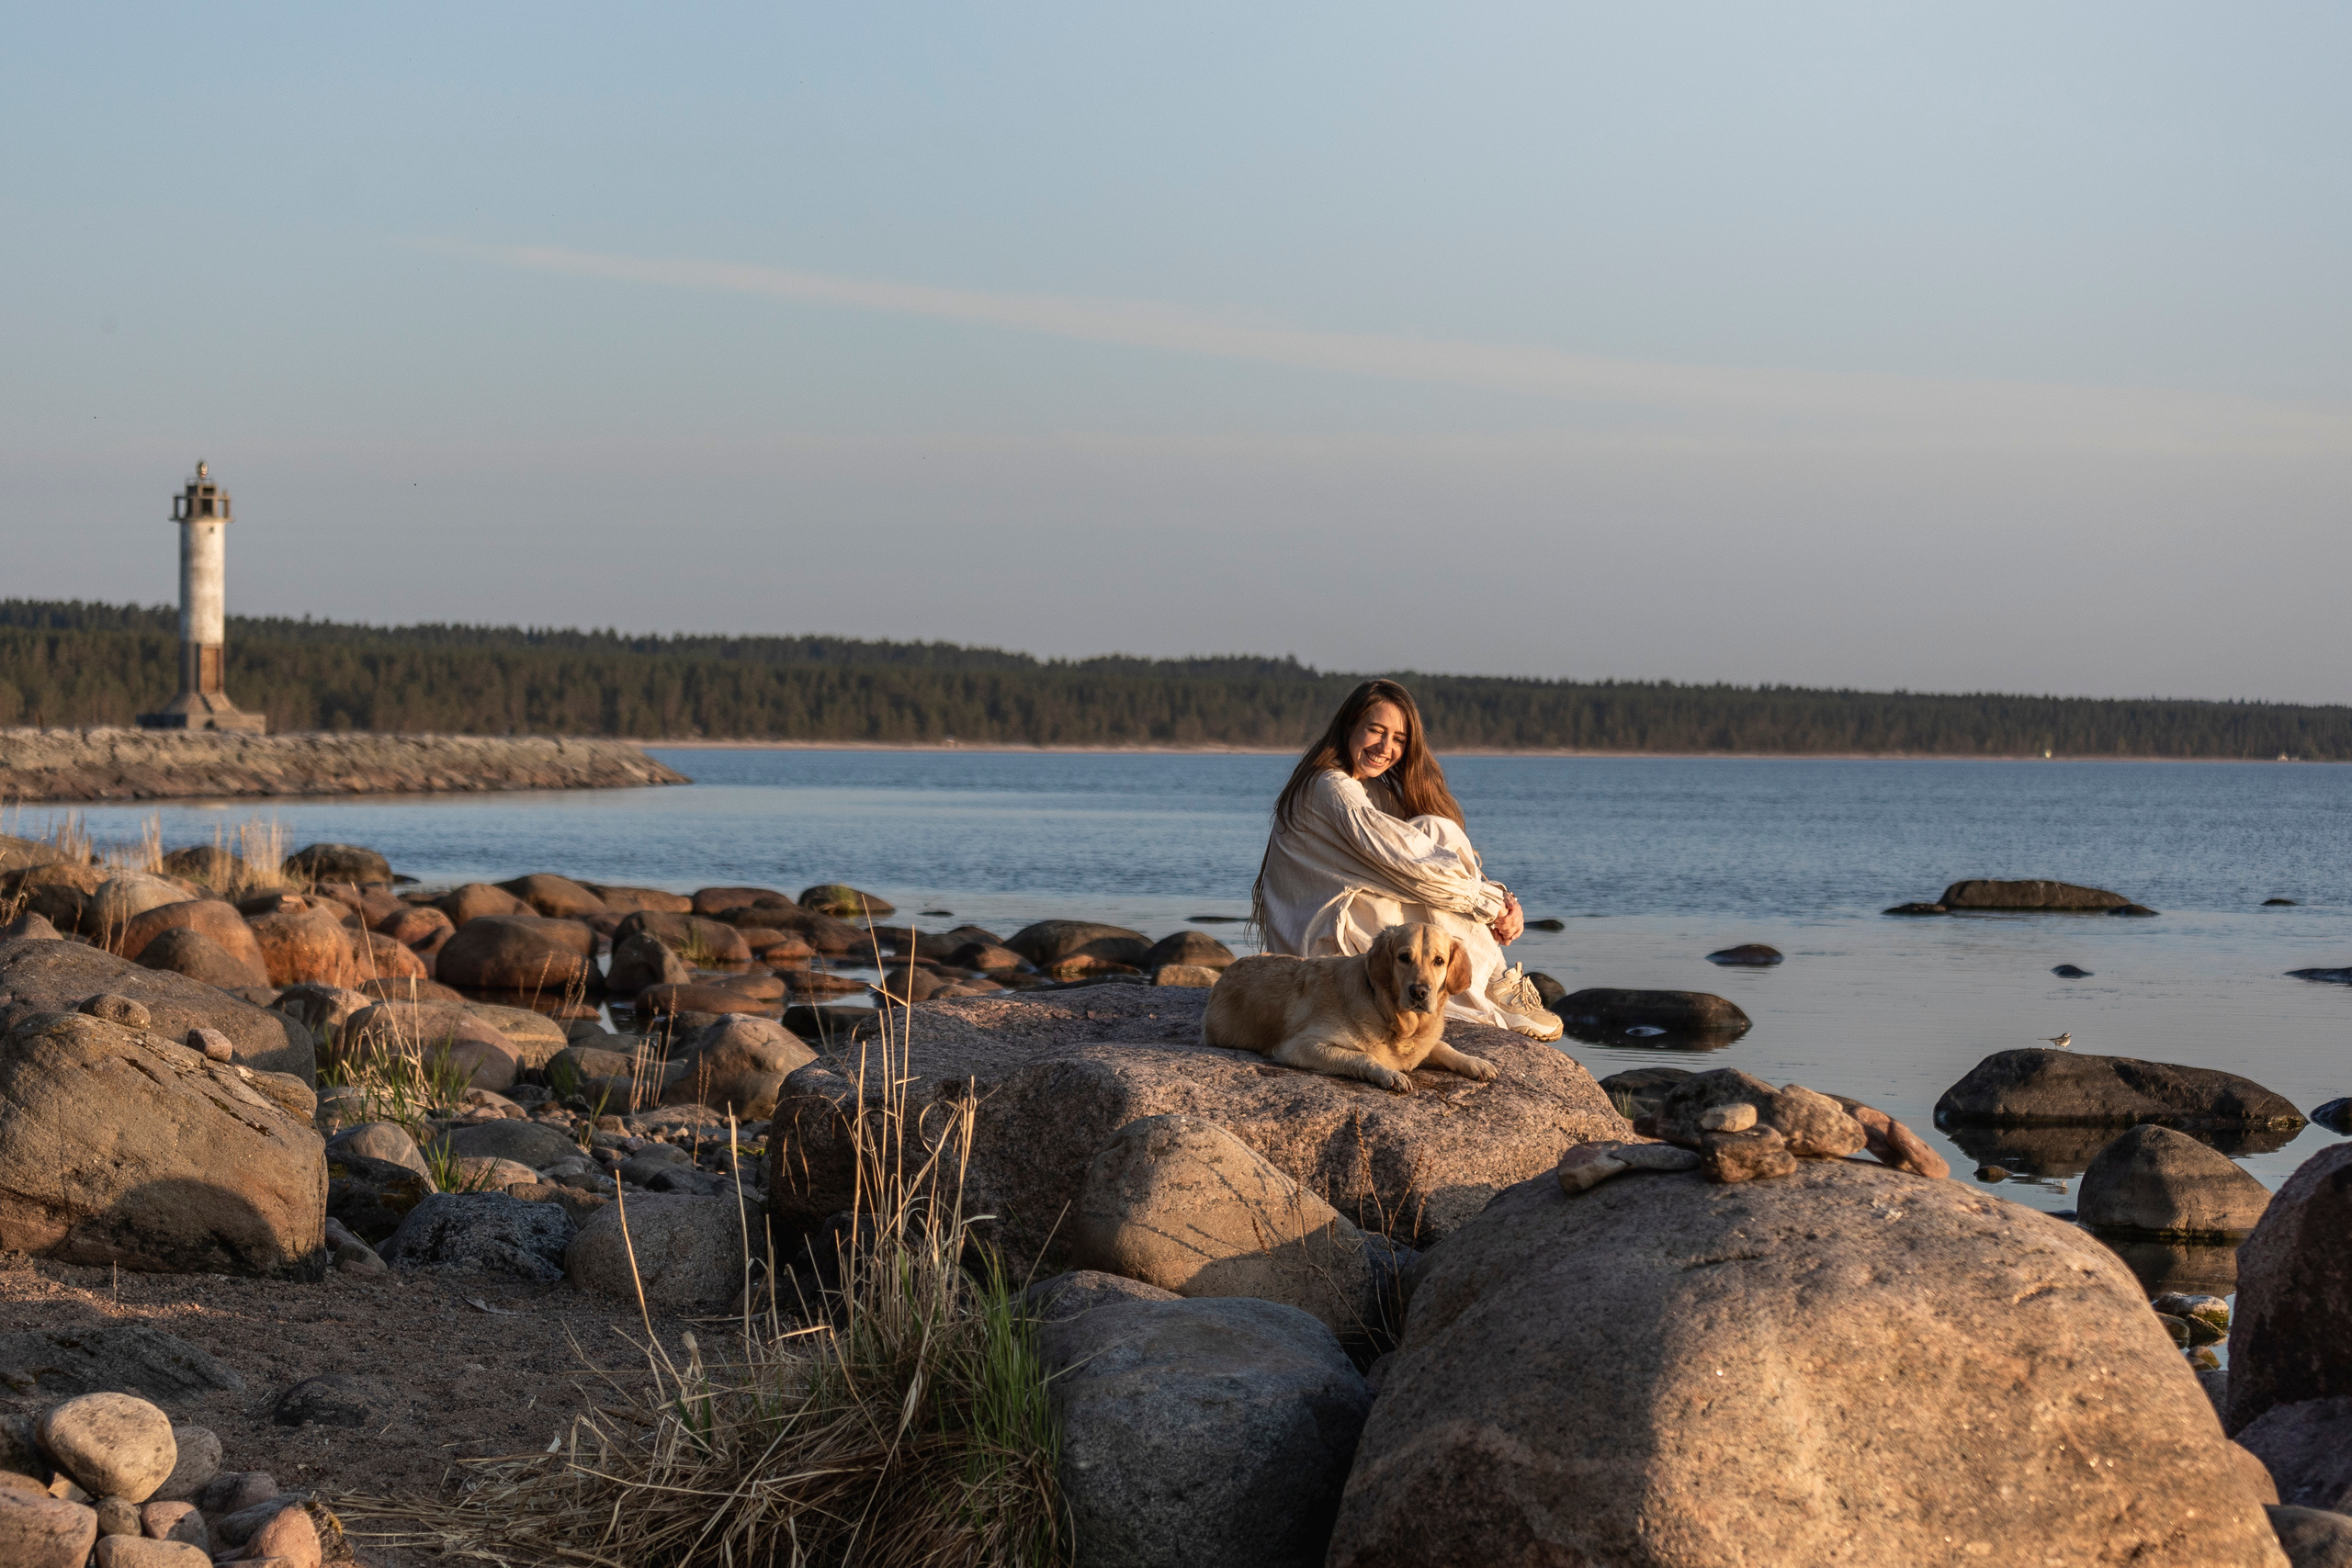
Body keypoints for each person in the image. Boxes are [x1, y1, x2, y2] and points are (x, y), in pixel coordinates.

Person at [1250, 678, 1562, 1040]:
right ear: (1349, 725)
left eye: (1398, 739)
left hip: (1339, 931)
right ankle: (1492, 985)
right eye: (1376, 731)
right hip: (1324, 952)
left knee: (1434, 829)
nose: (1385, 747)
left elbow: (1430, 857)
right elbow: (1411, 867)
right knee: (1434, 836)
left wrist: (1501, 901)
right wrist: (1489, 906)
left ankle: (1495, 980)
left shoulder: (1369, 791)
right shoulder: (1331, 788)